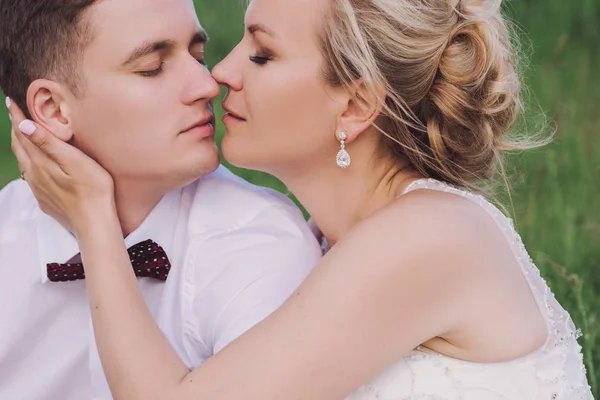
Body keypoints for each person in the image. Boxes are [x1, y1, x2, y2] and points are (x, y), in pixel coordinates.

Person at [8, 0, 594, 398]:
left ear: (356, 105)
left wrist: (92, 219)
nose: (221, 74)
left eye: (262, 55)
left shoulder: (428, 238)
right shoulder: (344, 233)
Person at [0, 1, 321, 399]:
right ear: (53, 110)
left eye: (197, 55)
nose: (207, 84)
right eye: (152, 66)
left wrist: (95, 223)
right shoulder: (7, 234)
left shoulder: (259, 244)